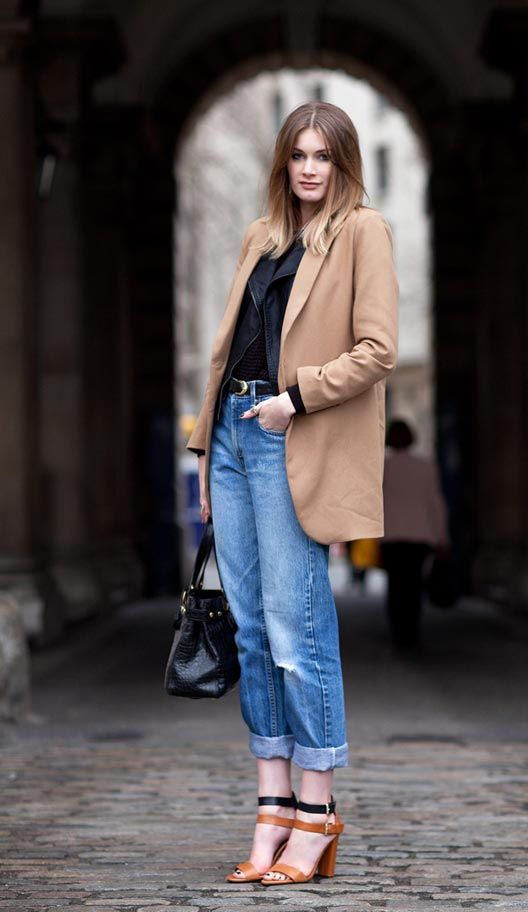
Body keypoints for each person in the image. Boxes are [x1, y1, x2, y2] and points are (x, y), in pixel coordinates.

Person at [186, 102, 399, 886]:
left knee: (293, 627)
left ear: (345, 165)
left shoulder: (362, 232)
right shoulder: (260, 236)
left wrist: (297, 399)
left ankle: (317, 810)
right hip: (236, 438)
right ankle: (271, 802)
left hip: (289, 435)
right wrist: (205, 449)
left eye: (325, 157)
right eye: (299, 156)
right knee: (248, 630)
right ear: (283, 164)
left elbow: (378, 348)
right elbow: (225, 350)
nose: (311, 169)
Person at [381, 419, 449, 648]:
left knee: (395, 586)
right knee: (413, 585)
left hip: (391, 535)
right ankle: (412, 631)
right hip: (419, 535)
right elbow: (436, 502)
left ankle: (397, 631)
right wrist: (442, 535)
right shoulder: (426, 466)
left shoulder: (382, 467)